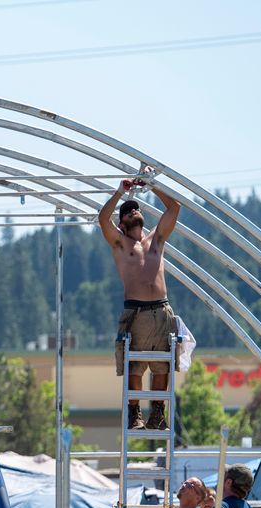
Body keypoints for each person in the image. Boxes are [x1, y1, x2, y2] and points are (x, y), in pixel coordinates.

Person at [98, 176, 182, 430]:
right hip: (135, 310)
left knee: (162, 365)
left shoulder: (156, 239)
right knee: (134, 366)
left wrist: (151, 183)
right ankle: (135, 414)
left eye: (136, 208)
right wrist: (119, 193)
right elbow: (103, 219)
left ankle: (158, 413)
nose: (133, 211)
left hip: (160, 309)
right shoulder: (120, 244)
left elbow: (174, 208)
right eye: (128, 211)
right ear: (122, 223)